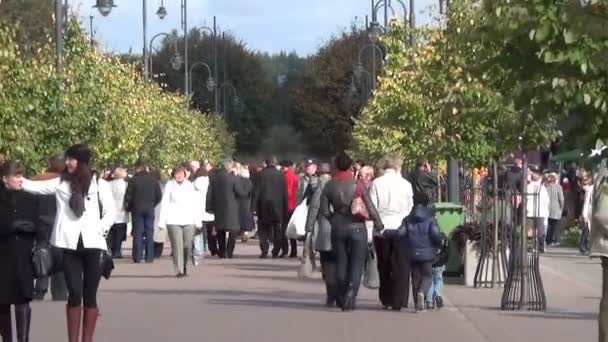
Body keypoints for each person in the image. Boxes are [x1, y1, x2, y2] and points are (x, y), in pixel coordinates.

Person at [21, 144, 116, 342]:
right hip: (68, 245)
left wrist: (100, 229)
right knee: (74, 292)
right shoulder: (61, 183)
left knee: (90, 295)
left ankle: (86, 339)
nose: (67, 163)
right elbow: (35, 187)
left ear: (81, 162)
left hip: (94, 245)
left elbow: (111, 213)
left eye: (71, 159)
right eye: (67, 159)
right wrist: (17, 180)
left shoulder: (100, 184)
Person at [320, 152, 383, 311]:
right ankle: (351, 293)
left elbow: (324, 210)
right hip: (357, 227)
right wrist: (378, 223)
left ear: (335, 167)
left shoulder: (330, 185)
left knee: (340, 262)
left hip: (338, 228)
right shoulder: (358, 184)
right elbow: (370, 206)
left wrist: (333, 219)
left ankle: (341, 295)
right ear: (349, 166)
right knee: (357, 263)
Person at [0, 161, 41, 342]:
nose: (20, 179)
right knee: (2, 301)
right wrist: (11, 226)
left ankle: (23, 339)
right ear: (5, 179)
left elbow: (39, 223)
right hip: (3, 255)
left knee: (23, 298)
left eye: (21, 175)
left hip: (24, 255)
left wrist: (33, 227)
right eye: (16, 176)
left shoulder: (30, 198)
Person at [370, 156, 414, 311]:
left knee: (384, 264)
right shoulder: (406, 185)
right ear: (397, 168)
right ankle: (400, 299)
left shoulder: (376, 183)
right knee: (402, 265)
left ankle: (386, 297)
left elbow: (372, 207)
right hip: (401, 227)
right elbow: (410, 207)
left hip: (382, 227)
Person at [384, 192, 441, 312]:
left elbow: (400, 233)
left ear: (414, 202)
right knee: (427, 276)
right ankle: (422, 292)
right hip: (427, 253)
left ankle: (417, 305)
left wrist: (388, 232)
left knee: (415, 277)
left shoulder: (408, 219)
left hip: (412, 252)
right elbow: (435, 234)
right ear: (426, 203)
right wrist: (438, 243)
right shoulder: (430, 219)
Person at [32, 155, 68, 302]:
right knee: (61, 256)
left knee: (42, 254)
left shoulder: (38, 179)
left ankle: (40, 289)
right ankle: (60, 292)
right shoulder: (67, 181)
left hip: (41, 222)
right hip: (61, 223)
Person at [158, 165, 201, 276]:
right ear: (173, 175)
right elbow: (165, 203)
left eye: (181, 174)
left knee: (187, 246)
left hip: (188, 219)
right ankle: (179, 270)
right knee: (177, 245)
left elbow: (195, 204)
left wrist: (198, 221)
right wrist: (162, 221)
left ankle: (184, 265)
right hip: (173, 220)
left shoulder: (190, 186)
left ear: (185, 175)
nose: (179, 176)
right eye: (177, 174)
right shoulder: (169, 185)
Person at [304, 163, 334, 306]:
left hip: (324, 229)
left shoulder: (320, 187)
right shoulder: (336, 184)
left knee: (326, 261)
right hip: (340, 228)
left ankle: (331, 292)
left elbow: (314, 208)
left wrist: (308, 229)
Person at [205, 159, 246, 259]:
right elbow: (240, 192)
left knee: (220, 230)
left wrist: (208, 207)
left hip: (218, 207)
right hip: (232, 208)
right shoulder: (234, 178)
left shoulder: (214, 178)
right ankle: (229, 251)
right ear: (230, 167)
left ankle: (222, 251)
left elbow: (209, 193)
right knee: (234, 230)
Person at [124, 161, 162, 263]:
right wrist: (152, 204)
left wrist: (129, 207)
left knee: (137, 233)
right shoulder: (153, 180)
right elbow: (159, 195)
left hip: (137, 208)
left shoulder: (133, 180)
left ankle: (137, 256)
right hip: (149, 208)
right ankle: (149, 257)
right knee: (150, 232)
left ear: (138, 169)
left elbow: (128, 196)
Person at [253, 157, 289, 258]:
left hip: (263, 206)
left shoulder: (260, 174)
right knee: (277, 229)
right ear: (275, 163)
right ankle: (276, 250)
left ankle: (264, 249)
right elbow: (284, 193)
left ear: (266, 163)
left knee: (263, 228)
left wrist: (253, 207)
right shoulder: (281, 175)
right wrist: (285, 207)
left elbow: (256, 192)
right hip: (278, 206)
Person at [193, 167, 216, 256]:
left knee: (200, 231)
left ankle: (201, 247)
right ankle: (213, 248)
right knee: (211, 232)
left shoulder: (194, 184)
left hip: (199, 210)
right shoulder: (210, 182)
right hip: (209, 209)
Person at [526, 167, 550, 253]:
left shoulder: (527, 187)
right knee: (540, 230)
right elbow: (546, 201)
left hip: (529, 211)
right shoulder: (542, 188)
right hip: (540, 212)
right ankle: (541, 246)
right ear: (539, 178)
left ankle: (530, 246)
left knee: (530, 230)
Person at [107, 167, 129, 258]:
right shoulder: (126, 185)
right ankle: (117, 251)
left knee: (111, 233)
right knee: (120, 233)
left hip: (110, 210)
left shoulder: (109, 184)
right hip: (122, 210)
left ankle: (111, 250)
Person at [282, 160, 300, 258]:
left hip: (287, 205)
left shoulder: (285, 176)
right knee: (292, 229)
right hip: (294, 205)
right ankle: (294, 249)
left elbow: (287, 192)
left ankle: (285, 250)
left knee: (284, 228)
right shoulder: (295, 177)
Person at [426, 232, 448, 310]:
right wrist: (444, 261)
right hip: (440, 264)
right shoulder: (443, 236)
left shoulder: (428, 235)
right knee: (439, 280)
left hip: (429, 263)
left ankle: (429, 302)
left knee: (429, 281)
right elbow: (447, 252)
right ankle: (437, 294)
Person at [236, 165, 255, 241]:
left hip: (240, 202)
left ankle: (241, 233)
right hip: (248, 202)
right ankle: (245, 233)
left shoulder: (238, 181)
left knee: (240, 218)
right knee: (246, 218)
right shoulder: (250, 182)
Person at [545, 172, 564, 246]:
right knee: (555, 225)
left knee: (548, 225)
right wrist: (561, 207)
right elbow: (561, 199)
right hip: (556, 208)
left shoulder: (546, 186)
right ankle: (554, 240)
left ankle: (547, 239)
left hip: (547, 208)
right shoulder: (558, 187)